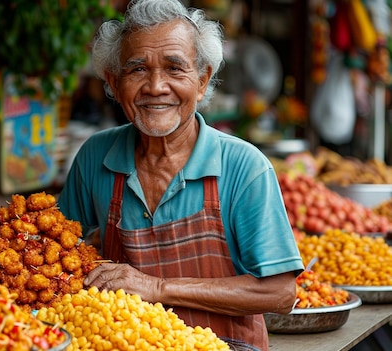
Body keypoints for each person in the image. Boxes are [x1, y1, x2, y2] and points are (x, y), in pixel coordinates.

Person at [56, 0, 304, 350]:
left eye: (175, 69)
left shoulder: (243, 166)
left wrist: (156, 287)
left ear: (202, 81)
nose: (156, 87)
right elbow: (51, 247)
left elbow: (280, 293)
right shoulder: (95, 157)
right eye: (137, 70)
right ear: (113, 82)